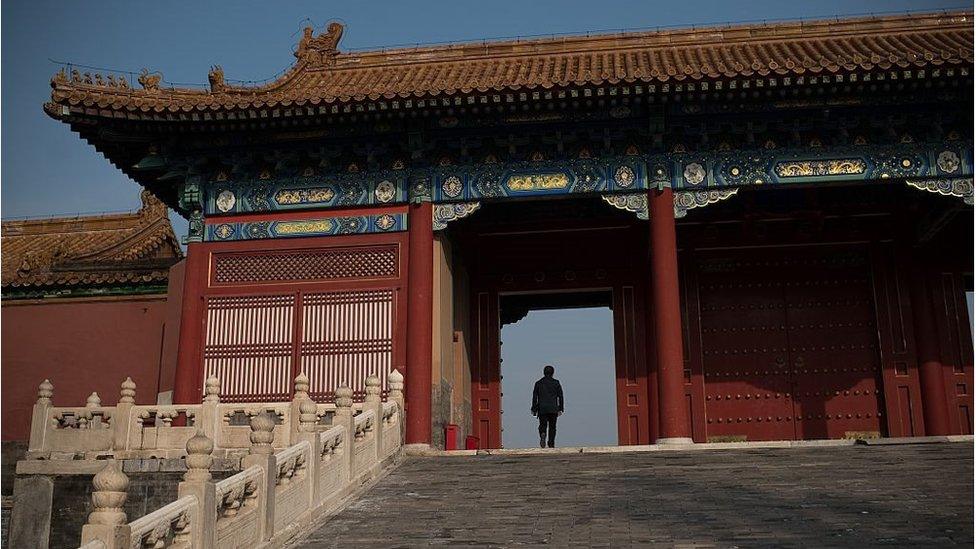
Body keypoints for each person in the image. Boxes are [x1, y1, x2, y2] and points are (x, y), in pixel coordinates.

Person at [531, 365, 564, 448]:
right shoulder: (556, 383)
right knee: (552, 427)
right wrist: (560, 408)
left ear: (544, 372)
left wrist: (534, 408)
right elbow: (560, 396)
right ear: (553, 373)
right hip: (553, 408)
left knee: (543, 425)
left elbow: (535, 397)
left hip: (542, 408)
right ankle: (551, 443)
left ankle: (543, 433)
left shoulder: (538, 383)